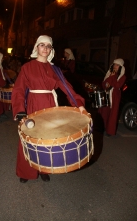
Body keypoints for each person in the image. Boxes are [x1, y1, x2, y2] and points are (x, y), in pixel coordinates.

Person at [11, 35, 86, 183]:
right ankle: (26, 172)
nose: (45, 48)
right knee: (29, 139)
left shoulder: (55, 70)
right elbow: (19, 89)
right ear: (36, 47)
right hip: (33, 105)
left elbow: (66, 87)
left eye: (48, 46)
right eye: (42, 45)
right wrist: (20, 110)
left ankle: (44, 168)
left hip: (50, 106)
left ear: (51, 49)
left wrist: (78, 104)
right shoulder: (27, 67)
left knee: (47, 139)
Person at [98, 58, 126, 136]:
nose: (115, 66)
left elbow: (117, 85)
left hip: (115, 96)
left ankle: (110, 131)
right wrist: (110, 78)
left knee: (113, 113)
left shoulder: (122, 76)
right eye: (114, 64)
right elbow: (105, 84)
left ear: (120, 67)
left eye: (117, 65)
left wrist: (112, 77)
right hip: (107, 93)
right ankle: (102, 127)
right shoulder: (109, 73)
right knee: (104, 111)